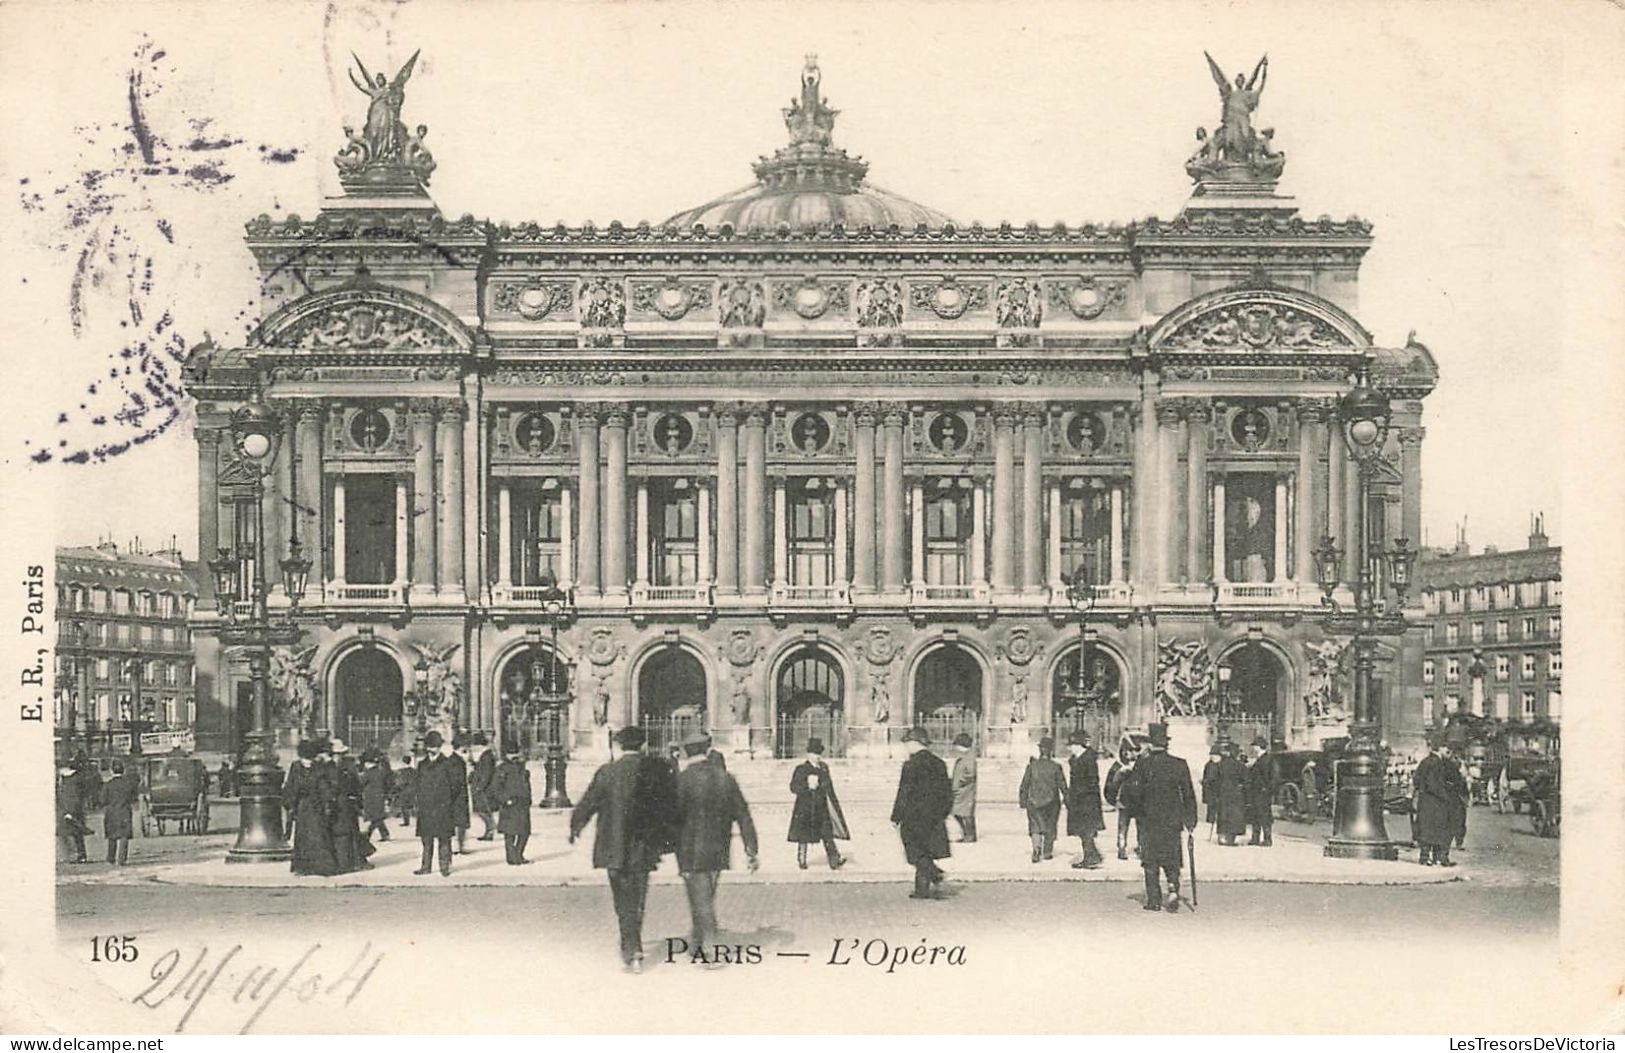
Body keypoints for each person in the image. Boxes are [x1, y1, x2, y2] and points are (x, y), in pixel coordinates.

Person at [570, 726, 678, 973]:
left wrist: (575, 826)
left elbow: (589, 802)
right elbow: (669, 805)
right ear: (642, 745)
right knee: (638, 897)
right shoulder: (655, 770)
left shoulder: (607, 772)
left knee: (622, 899)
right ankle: (634, 947)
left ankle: (631, 948)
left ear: (618, 746)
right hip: (643, 846)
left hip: (613, 846)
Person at [674, 732, 759, 962]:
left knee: (700, 895)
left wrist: (670, 849)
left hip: (690, 849)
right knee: (705, 893)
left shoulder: (680, 780)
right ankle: (696, 938)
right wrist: (751, 849)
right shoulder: (725, 778)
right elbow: (743, 815)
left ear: (685, 752)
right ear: (708, 749)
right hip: (718, 847)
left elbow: (671, 819)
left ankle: (709, 947)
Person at [1119, 723, 1197, 912]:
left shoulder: (1142, 765)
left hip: (1148, 820)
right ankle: (1172, 888)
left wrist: (1134, 810)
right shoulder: (1179, 764)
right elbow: (1188, 794)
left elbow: (1134, 792)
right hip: (1172, 820)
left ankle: (1153, 899)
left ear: (1150, 744)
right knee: (1171, 857)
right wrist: (1190, 820)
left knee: (1150, 860)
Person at [890, 726, 953, 900]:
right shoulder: (939, 763)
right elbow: (947, 792)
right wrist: (943, 812)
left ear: (913, 743)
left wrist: (896, 816)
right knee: (925, 850)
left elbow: (904, 792)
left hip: (913, 817)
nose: (906, 748)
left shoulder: (911, 765)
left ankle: (934, 873)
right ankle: (921, 890)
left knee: (915, 851)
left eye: (907, 744)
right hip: (934, 817)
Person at [786, 737, 849, 870]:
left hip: (821, 807)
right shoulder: (801, 769)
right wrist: (807, 786)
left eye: (819, 754)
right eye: (815, 754)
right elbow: (793, 787)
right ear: (808, 754)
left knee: (827, 834)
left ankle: (834, 860)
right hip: (805, 807)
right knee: (803, 836)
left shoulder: (824, 768)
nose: (817, 757)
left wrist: (823, 788)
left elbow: (829, 786)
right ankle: (801, 860)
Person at [285, 739, 339, 876]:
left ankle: (304, 867)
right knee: (318, 835)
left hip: (305, 805)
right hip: (316, 805)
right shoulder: (318, 767)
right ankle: (322, 866)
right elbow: (325, 787)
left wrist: (290, 804)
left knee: (304, 836)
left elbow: (291, 786)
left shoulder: (296, 767)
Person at [413, 731, 461, 876]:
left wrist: (447, 800)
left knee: (444, 839)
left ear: (439, 747)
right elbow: (417, 784)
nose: (432, 750)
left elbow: (455, 785)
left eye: (435, 747)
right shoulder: (422, 765)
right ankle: (425, 867)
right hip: (426, 807)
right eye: (430, 746)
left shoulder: (447, 764)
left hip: (443, 807)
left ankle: (444, 867)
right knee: (426, 840)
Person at [1413, 737, 1465, 867]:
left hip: (1428, 801)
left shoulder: (1428, 762)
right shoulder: (1437, 763)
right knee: (1439, 829)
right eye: (1445, 747)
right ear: (1440, 748)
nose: (1448, 750)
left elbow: (1417, 780)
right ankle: (1437, 857)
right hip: (1436, 801)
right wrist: (1446, 794)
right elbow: (1434, 783)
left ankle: (1429, 857)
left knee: (1430, 830)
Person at [1019, 736, 1067, 863]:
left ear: (1040, 750)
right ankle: (1047, 852)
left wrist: (1023, 800)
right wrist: (1067, 799)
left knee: (1035, 826)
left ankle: (1036, 849)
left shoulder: (1032, 766)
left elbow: (1024, 784)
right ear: (1051, 751)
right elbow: (1062, 785)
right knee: (1050, 826)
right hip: (1052, 802)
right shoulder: (1056, 767)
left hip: (1034, 801)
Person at [329, 740, 374, 873]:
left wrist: (356, 800)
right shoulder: (333, 768)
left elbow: (356, 786)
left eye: (341, 754)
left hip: (346, 805)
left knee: (350, 833)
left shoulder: (346, 767)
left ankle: (351, 861)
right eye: (337, 754)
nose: (339, 757)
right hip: (338, 806)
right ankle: (346, 862)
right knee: (342, 834)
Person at [1065, 730, 1105, 869]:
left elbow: (1093, 782)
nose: (1069, 748)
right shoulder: (1078, 759)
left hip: (1087, 802)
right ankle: (1093, 856)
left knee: (1086, 830)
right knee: (1083, 831)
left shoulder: (1087, 759)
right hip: (1080, 801)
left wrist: (1079, 795)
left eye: (1072, 745)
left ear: (1079, 745)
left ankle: (1091, 858)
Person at [491, 739, 533, 865]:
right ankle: (512, 857)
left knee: (524, 832)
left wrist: (528, 798)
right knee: (509, 834)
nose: (514, 756)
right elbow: (495, 787)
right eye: (511, 753)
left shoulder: (522, 767)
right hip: (509, 803)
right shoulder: (502, 769)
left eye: (515, 753)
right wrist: (504, 800)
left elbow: (526, 784)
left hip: (522, 803)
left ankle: (518, 854)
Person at [1104, 739, 1142, 860]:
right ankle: (1122, 848)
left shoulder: (1119, 766)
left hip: (1132, 802)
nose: (1132, 754)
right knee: (1125, 827)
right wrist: (1112, 800)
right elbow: (1110, 785)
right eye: (1131, 751)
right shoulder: (1121, 766)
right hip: (1128, 801)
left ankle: (1136, 847)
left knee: (1135, 827)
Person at [101, 760, 138, 866]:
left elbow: (103, 800)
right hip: (125, 811)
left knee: (112, 836)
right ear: (123, 770)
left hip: (111, 812)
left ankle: (110, 858)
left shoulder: (108, 785)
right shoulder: (129, 784)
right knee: (124, 836)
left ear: (112, 771)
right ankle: (122, 859)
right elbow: (133, 798)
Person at [1212, 742, 1248, 846]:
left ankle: (1221, 836)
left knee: (1223, 814)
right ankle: (1231, 839)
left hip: (1223, 792)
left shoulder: (1220, 765)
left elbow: (1214, 779)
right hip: (1236, 794)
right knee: (1234, 816)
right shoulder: (1240, 765)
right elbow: (1246, 780)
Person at [1245, 738, 1277, 846]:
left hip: (1263, 792)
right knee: (1255, 814)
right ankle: (1255, 837)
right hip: (1256, 791)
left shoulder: (1268, 759)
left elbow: (1273, 776)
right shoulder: (1259, 759)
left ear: (1259, 746)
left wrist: (1268, 790)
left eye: (1254, 746)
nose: (1253, 748)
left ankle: (1267, 839)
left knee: (1264, 815)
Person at [57, 761, 90, 864]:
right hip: (75, 809)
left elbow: (69, 796)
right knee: (76, 833)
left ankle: (73, 855)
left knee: (68, 833)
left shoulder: (69, 781)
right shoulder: (77, 779)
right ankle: (79, 854)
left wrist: (68, 810)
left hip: (68, 809)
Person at [949, 733, 978, 843]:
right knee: (959, 812)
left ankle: (970, 835)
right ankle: (967, 833)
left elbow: (970, 773)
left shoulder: (969, 758)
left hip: (965, 791)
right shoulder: (964, 757)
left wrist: (960, 782)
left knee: (965, 814)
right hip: (961, 790)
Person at [469, 732, 497, 841]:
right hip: (482, 786)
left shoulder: (486, 755)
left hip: (483, 788)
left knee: (483, 810)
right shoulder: (486, 755)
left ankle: (490, 829)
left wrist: (479, 787)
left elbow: (486, 773)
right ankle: (489, 830)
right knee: (483, 810)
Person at [449, 733, 472, 854]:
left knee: (459, 822)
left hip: (458, 796)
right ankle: (458, 846)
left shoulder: (456, 760)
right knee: (460, 822)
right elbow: (456, 781)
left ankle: (459, 845)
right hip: (458, 797)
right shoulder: (456, 761)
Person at [360, 751, 391, 842]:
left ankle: (368, 834)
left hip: (371, 797)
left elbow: (362, 783)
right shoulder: (381, 772)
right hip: (380, 796)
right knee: (377, 817)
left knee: (375, 818)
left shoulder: (368, 773)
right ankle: (384, 834)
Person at [1201, 747, 1223, 828]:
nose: (1212, 757)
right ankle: (1210, 822)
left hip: (1218, 790)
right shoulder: (1209, 765)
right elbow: (1206, 776)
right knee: (1211, 808)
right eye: (1211, 755)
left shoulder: (1221, 765)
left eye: (1215, 755)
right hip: (1210, 790)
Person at [395, 754, 417, 826]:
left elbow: (401, 782)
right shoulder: (413, 771)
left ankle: (406, 821)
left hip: (404, 790)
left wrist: (397, 788)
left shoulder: (401, 771)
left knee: (404, 806)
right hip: (412, 790)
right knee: (409, 806)